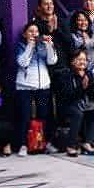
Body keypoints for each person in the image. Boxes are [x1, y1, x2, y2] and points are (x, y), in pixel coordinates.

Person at [13, 23, 58, 157]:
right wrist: (30, 46)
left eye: (36, 31)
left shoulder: (42, 46)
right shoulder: (20, 46)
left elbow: (52, 61)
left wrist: (49, 45)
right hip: (25, 86)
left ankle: (45, 143)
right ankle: (23, 145)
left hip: (43, 85)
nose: (34, 34)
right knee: (24, 116)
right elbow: (22, 63)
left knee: (44, 115)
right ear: (24, 34)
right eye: (31, 31)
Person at [53, 51, 94, 157]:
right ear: (72, 61)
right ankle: (70, 146)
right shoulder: (66, 74)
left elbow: (92, 95)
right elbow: (68, 95)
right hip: (67, 104)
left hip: (83, 104)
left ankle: (86, 143)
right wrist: (82, 88)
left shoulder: (88, 73)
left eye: (84, 60)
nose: (82, 62)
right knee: (78, 114)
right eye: (79, 59)